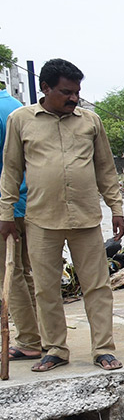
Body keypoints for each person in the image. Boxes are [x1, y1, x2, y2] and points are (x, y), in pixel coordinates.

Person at [0, 58, 124, 372]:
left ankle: (103, 349)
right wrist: (5, 213)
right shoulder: (20, 120)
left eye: (77, 93)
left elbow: (106, 170)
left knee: (97, 286)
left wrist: (117, 208)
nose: (74, 98)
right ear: (45, 88)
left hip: (85, 218)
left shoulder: (91, 122)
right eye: (66, 92)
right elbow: (11, 170)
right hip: (41, 219)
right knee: (46, 288)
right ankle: (55, 349)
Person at [0, 84, 41, 362]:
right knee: (26, 272)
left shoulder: (7, 111)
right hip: (29, 201)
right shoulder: (15, 105)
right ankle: (39, 335)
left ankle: (28, 340)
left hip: (9, 204)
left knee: (10, 272)